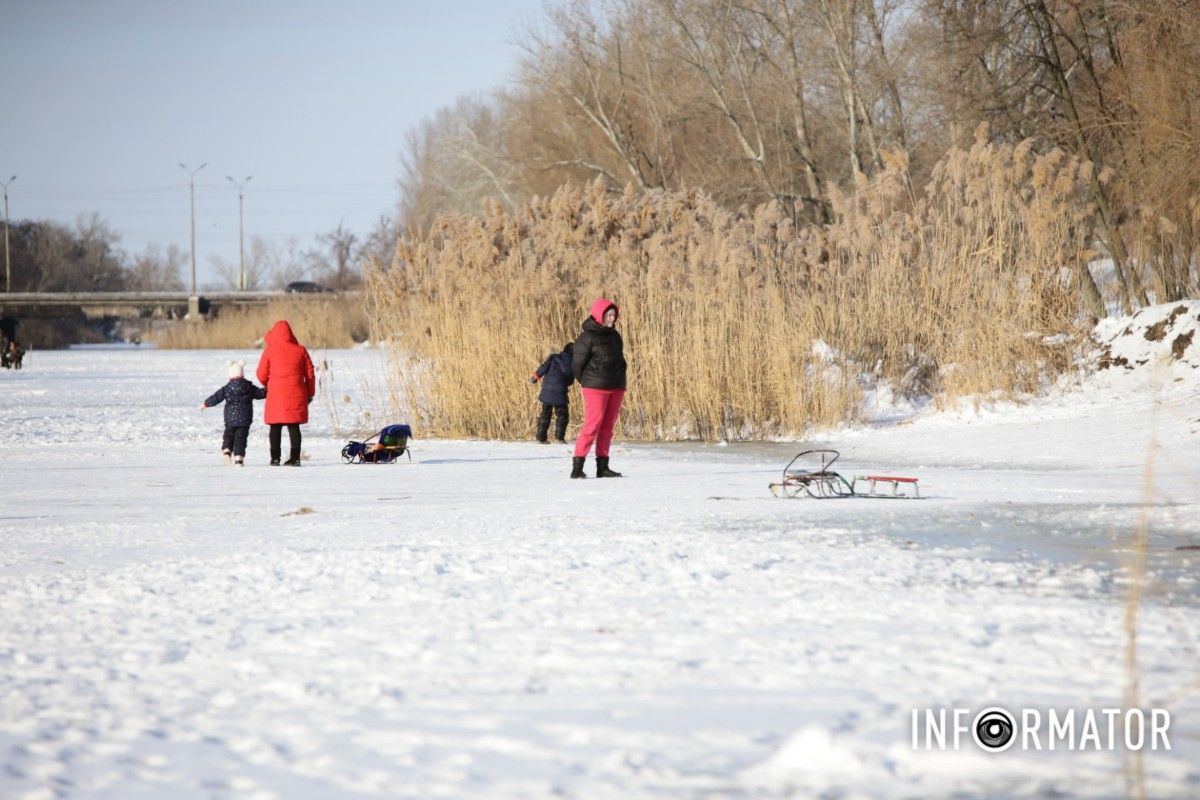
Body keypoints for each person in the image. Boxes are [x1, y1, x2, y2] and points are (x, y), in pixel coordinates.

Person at [571, 298, 626, 479]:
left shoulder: (615, 336)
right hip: (595, 387)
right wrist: (587, 381)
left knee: (607, 427)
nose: (612, 318)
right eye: (608, 315)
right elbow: (577, 365)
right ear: (599, 315)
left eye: (614, 315)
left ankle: (603, 467)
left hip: (616, 386)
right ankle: (577, 468)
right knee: (592, 425)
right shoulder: (587, 337)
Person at [256, 320, 316, 466]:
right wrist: (310, 393)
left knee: (275, 426)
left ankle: (275, 458)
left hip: (276, 394)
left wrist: (270, 383)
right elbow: (310, 374)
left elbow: (261, 374)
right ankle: (295, 458)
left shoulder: (269, 351)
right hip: (296, 392)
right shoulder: (300, 350)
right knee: (293, 426)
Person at [201, 360, 267, 466]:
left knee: (228, 435)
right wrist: (270, 388)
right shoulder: (249, 387)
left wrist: (205, 404)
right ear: (242, 373)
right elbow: (260, 393)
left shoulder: (227, 388)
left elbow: (216, 397)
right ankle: (239, 460)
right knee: (241, 439)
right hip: (244, 419)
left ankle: (227, 451)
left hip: (230, 418)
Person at [529, 342, 575, 443]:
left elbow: (543, 367)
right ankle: (559, 438)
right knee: (562, 415)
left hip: (547, 391)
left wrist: (535, 378)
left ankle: (541, 439)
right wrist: (567, 382)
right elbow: (570, 379)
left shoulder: (553, 357)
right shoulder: (571, 362)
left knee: (545, 414)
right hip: (560, 392)